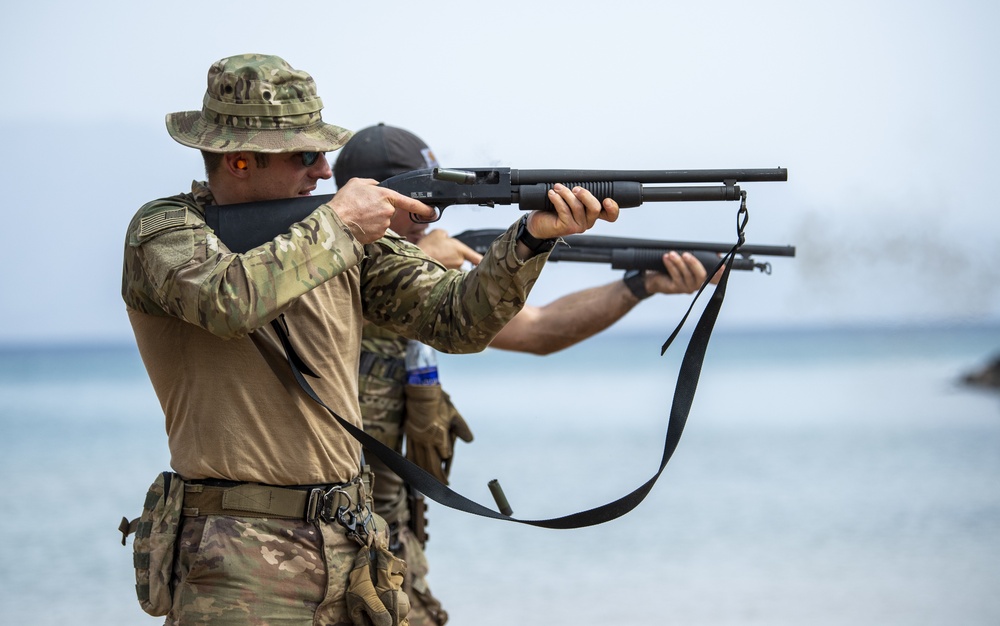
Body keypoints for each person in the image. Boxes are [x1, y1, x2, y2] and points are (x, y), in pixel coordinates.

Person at [120, 53, 619, 626]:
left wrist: (529, 239)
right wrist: (337, 226)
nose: (325, 172)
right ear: (238, 160)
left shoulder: (337, 234)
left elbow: (458, 319)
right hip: (238, 565)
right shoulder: (166, 233)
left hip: (353, 551)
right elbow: (228, 302)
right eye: (306, 155)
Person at [333, 123, 715, 626]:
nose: (429, 217)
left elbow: (539, 331)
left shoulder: (409, 274)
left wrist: (639, 286)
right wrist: (426, 259)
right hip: (334, 552)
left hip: (392, 549)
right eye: (419, 201)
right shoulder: (321, 267)